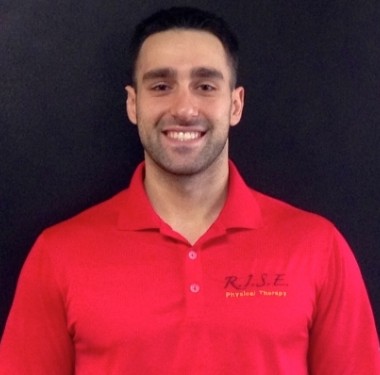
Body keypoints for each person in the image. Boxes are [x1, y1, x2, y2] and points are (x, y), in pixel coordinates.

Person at [0, 6, 379, 374]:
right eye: (162, 86)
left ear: (235, 104)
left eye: (205, 86)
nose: (184, 107)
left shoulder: (316, 246)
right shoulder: (59, 254)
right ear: (134, 104)